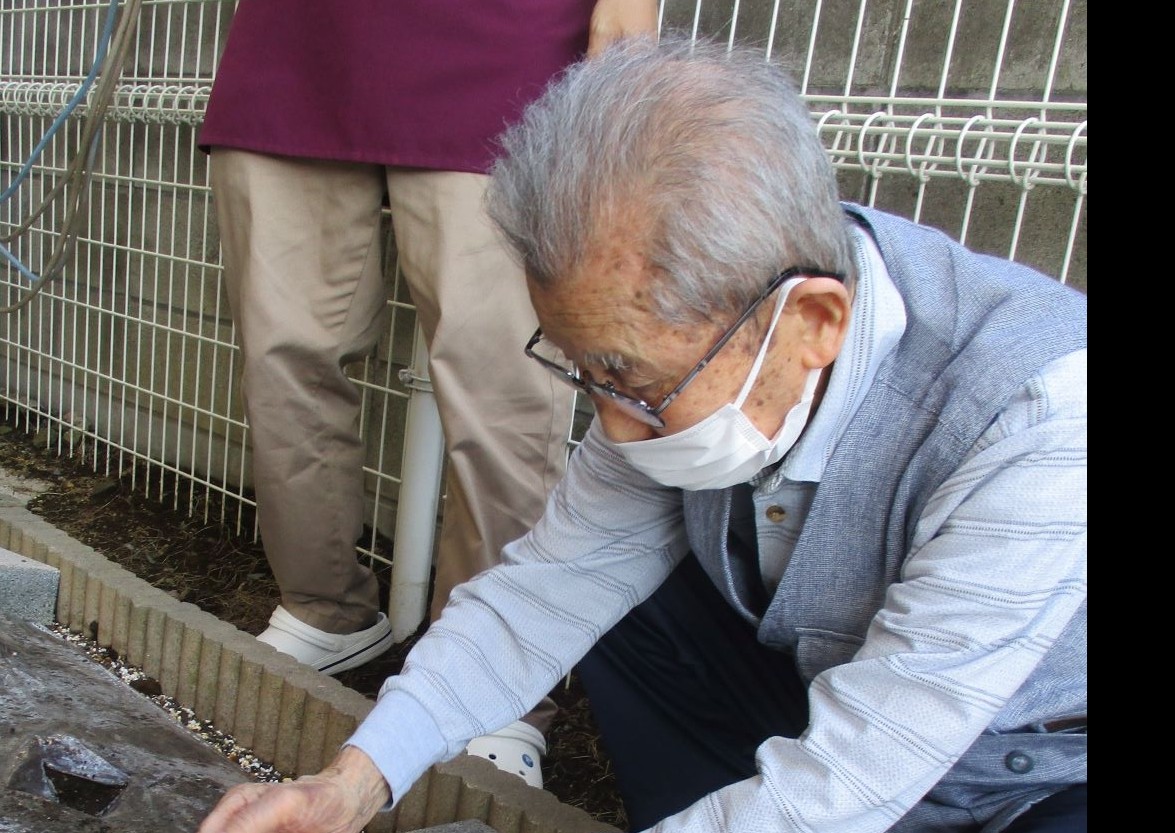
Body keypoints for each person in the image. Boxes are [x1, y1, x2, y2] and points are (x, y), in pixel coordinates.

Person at [198, 34, 1087, 833]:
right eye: (588, 373)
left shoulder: (1038, 414)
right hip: (824, 687)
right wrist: (351, 784)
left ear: (812, 322)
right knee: (616, 596)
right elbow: (542, 592)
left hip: (1035, 765)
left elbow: (863, 762)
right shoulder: (712, 329)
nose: (614, 428)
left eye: (633, 379)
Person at [197, 0, 657, 787]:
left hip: (503, 35)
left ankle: (494, 683)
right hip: (298, 36)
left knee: (504, 385)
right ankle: (325, 608)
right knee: (285, 354)